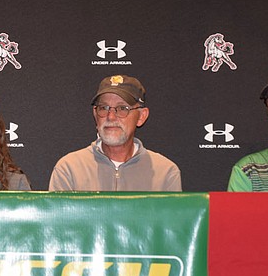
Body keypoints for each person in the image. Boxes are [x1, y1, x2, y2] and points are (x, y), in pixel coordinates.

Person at [48, 74, 181, 191]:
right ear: (95, 113)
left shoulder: (165, 172)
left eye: (122, 108)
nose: (110, 116)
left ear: (141, 116)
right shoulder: (69, 169)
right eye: (104, 108)